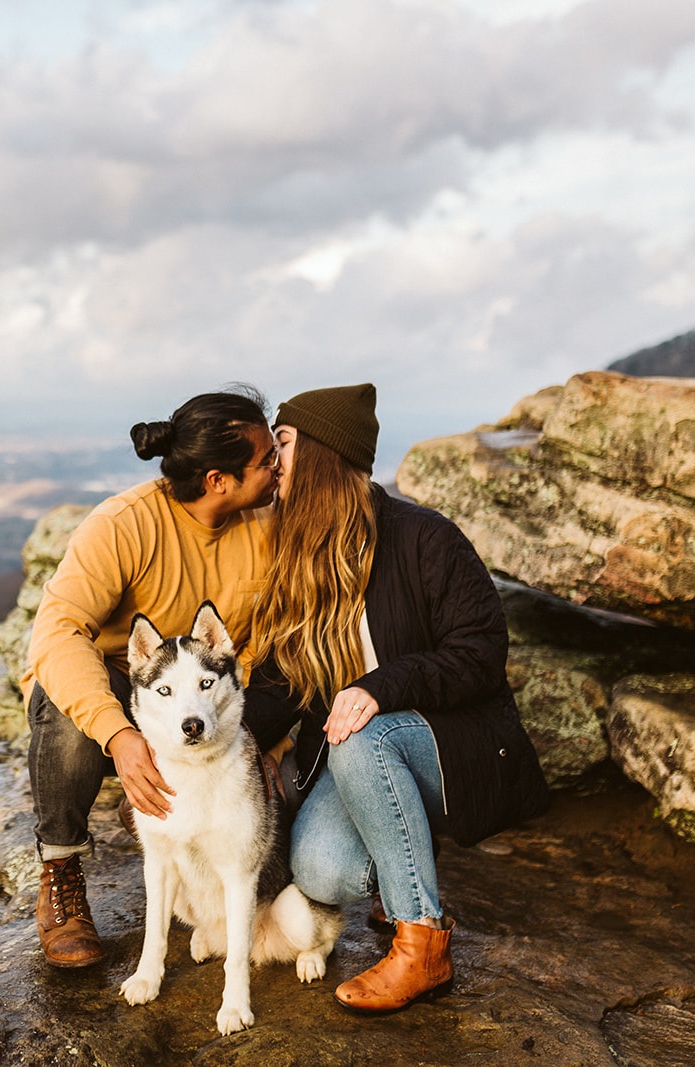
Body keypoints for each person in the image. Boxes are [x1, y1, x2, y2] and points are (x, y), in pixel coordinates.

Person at [252, 383, 550, 1013]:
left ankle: (422, 944)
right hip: (357, 752)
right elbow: (281, 680)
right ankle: (401, 852)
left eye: (282, 443)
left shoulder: (425, 538)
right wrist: (223, 745)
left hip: (449, 744)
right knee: (321, 874)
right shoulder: (300, 551)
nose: (272, 461)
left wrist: (380, 686)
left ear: (326, 454)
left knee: (364, 731)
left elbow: (480, 652)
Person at [23, 385, 283, 968]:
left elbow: (278, 643)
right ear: (218, 480)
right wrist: (121, 737)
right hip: (123, 681)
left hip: (208, 695)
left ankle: (157, 805)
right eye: (267, 460)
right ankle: (61, 871)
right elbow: (57, 634)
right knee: (66, 713)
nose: (279, 467)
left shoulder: (267, 525)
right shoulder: (123, 524)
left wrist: (270, 738)